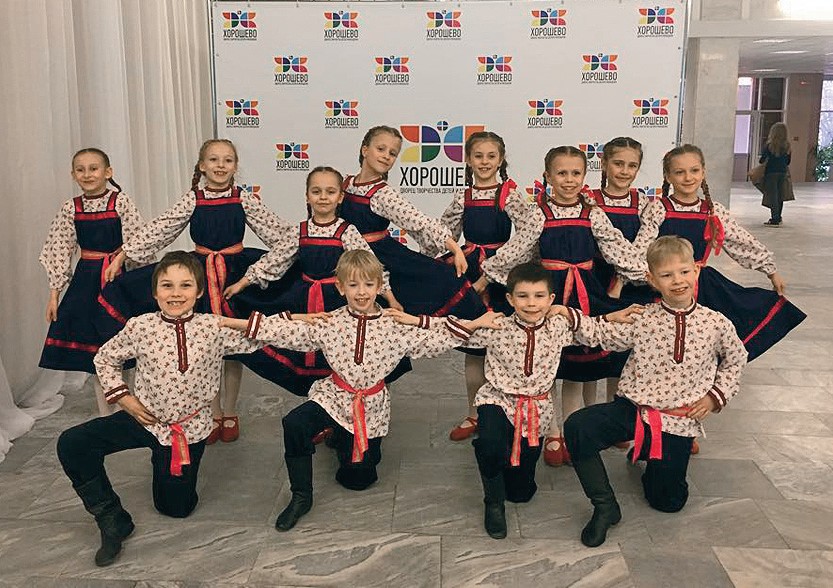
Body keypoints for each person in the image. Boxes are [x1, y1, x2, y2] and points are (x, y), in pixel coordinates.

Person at [223, 250, 500, 531]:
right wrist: (232, 322)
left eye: (368, 284)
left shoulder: (395, 326)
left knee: (358, 480)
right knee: (294, 423)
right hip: (333, 397)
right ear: (341, 287)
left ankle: (342, 438)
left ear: (379, 286)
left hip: (369, 408)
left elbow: (438, 335)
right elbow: (282, 330)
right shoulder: (329, 322)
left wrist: (476, 323)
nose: (361, 292)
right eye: (353, 285)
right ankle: (301, 496)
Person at [55, 251, 267, 567]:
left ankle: (165, 463)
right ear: (155, 292)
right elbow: (105, 358)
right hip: (145, 419)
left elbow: (263, 335)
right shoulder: (140, 326)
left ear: (199, 291)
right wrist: (124, 398)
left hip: (187, 431)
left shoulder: (213, 328)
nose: (175, 293)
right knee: (72, 444)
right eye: (167, 285)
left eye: (185, 285)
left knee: (176, 508)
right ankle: (111, 518)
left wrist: (301, 320)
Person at [100, 139, 293, 443]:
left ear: (235, 166)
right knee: (204, 348)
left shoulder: (244, 199)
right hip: (200, 276)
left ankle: (230, 410)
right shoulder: (193, 199)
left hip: (234, 277)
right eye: (213, 160)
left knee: (233, 349)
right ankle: (212, 412)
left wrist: (306, 249)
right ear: (202, 166)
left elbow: (279, 232)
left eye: (227, 160)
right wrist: (124, 254)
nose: (220, 166)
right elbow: (161, 228)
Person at [561, 236, 747, 547]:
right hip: (634, 410)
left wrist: (714, 396)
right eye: (667, 275)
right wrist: (565, 313)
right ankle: (605, 506)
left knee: (668, 502)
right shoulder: (642, 318)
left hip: (677, 420)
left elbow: (736, 359)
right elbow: (599, 334)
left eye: (684, 272)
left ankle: (653, 458)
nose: (678, 281)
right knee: (579, 427)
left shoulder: (716, 323)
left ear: (696, 271)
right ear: (652, 280)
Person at [481, 146, 647, 466]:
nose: (569, 180)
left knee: (576, 371)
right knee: (547, 369)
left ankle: (571, 434)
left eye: (575, 173)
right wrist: (486, 278)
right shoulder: (538, 213)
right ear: (547, 176)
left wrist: (648, 274)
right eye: (561, 173)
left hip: (585, 296)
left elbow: (616, 247)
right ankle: (551, 431)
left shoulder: (592, 213)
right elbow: (518, 250)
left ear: (584, 177)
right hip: (549, 296)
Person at [457, 262, 637, 539]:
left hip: (535, 410)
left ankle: (512, 477)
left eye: (539, 296)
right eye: (523, 296)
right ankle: (492, 503)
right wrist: (470, 323)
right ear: (510, 299)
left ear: (551, 298)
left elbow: (595, 329)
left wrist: (611, 315)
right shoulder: (496, 326)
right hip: (498, 400)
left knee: (521, 493)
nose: (531, 303)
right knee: (491, 444)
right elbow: (448, 331)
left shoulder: (558, 327)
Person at [223, 166, 403, 396]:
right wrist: (243, 282)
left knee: (341, 353)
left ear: (340, 197)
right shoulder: (300, 230)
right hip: (306, 302)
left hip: (339, 303)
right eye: (316, 191)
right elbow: (275, 260)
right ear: (307, 196)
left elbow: (369, 267)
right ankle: (318, 403)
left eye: (330, 192)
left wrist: (390, 298)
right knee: (305, 350)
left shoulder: (346, 231)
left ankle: (351, 402)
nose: (323, 197)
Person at [633, 144, 805, 364]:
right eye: (679, 172)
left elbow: (741, 242)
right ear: (668, 176)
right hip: (665, 285)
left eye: (694, 170)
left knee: (704, 339)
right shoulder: (658, 208)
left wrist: (770, 270)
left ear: (703, 172)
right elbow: (642, 248)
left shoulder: (713, 211)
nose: (688, 177)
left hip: (702, 285)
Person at [434, 131, 538, 442]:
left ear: (501, 159)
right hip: (469, 270)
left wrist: (506, 269)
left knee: (505, 346)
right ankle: (474, 412)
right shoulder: (463, 196)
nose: (484, 162)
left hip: (502, 274)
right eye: (478, 156)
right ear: (468, 159)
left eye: (491, 156)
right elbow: (444, 234)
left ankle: (506, 412)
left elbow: (528, 234)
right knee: (474, 349)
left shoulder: (510, 194)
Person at [39, 148, 149, 415]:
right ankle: (105, 415)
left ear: (108, 172)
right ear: (73, 174)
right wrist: (54, 294)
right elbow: (59, 249)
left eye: (94, 168)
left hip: (119, 281)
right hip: (87, 284)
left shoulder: (121, 202)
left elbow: (139, 240)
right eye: (81, 170)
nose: (87, 174)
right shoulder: (71, 208)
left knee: (126, 349)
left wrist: (126, 265)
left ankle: (130, 411)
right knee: (99, 353)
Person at [339, 125, 486, 320]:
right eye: (381, 149)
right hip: (344, 255)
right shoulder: (344, 184)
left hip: (378, 257)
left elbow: (420, 221)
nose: (386, 156)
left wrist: (455, 249)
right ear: (365, 150)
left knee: (439, 280)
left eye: (392, 153)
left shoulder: (383, 194)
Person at [588, 137, 656, 412]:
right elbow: (602, 242)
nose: (625, 171)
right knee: (590, 354)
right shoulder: (589, 200)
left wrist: (623, 278)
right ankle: (586, 415)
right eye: (618, 163)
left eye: (632, 165)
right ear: (604, 163)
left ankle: (613, 412)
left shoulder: (644, 202)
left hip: (632, 284)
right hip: (595, 281)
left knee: (623, 354)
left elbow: (643, 245)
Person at [759, 122, 793, 226]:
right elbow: (788, 162)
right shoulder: (787, 146)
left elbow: (762, 160)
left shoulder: (769, 146)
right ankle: (778, 217)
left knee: (773, 195)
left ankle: (774, 218)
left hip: (771, 173)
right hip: (783, 172)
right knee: (780, 195)